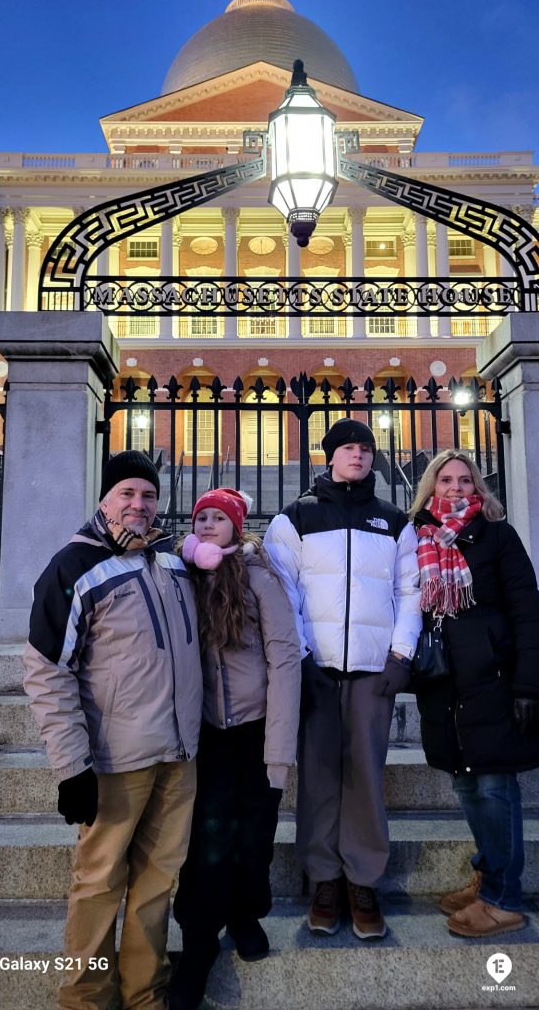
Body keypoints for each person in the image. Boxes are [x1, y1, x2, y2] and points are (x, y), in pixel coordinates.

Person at [23, 450, 203, 1010]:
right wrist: (71, 767)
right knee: (99, 885)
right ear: (104, 500)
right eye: (127, 494)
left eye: (148, 495)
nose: (139, 505)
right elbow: (48, 672)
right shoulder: (73, 567)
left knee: (157, 883)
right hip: (114, 761)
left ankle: (144, 991)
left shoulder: (172, 562)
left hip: (178, 755)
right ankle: (85, 998)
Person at [263, 419, 421, 940]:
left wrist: (400, 655)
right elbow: (281, 595)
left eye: (366, 448)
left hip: (373, 672)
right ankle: (324, 878)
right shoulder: (295, 518)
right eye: (348, 447)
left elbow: (411, 590)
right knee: (319, 775)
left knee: (366, 777)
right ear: (330, 455)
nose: (358, 455)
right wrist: (301, 659)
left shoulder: (394, 520)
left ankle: (364, 880)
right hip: (317, 670)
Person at [170, 487, 301, 1010]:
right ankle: (198, 940)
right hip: (201, 733)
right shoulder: (180, 578)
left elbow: (286, 661)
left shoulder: (260, 578)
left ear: (236, 526)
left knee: (254, 834)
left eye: (217, 518)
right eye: (199, 517)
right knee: (204, 842)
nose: (206, 525)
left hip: (254, 729)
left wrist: (278, 754)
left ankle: (246, 914)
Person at [409, 449, 539, 938]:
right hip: (444, 683)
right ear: (431, 486)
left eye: (466, 480)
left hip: (495, 682)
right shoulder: (418, 537)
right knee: (465, 783)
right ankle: (488, 874)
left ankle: (503, 898)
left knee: (493, 786)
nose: (456, 488)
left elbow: (527, 611)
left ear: (479, 489)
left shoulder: (498, 537)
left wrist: (530, 685)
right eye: (446, 480)